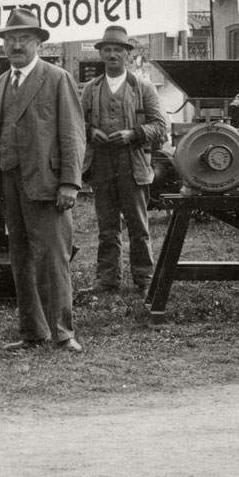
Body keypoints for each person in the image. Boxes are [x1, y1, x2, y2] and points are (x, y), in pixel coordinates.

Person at [0, 8, 87, 353]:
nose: (16, 45)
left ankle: (63, 333)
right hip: (10, 181)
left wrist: (69, 182)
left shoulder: (56, 78)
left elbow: (72, 134)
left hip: (46, 182)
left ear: (38, 42)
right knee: (19, 256)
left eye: (24, 39)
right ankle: (32, 332)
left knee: (53, 258)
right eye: (10, 39)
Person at [78, 26, 168, 295]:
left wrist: (133, 134)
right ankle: (107, 280)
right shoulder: (90, 90)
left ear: (127, 54)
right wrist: (90, 131)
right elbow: (75, 124)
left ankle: (144, 279)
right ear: (101, 55)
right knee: (107, 227)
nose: (113, 54)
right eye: (108, 50)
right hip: (102, 165)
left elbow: (160, 127)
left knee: (138, 226)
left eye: (118, 49)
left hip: (133, 164)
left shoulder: (143, 87)